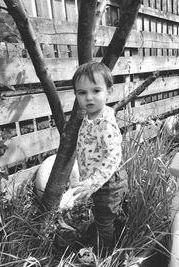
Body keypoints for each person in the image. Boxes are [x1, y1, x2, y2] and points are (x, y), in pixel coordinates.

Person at [71, 61, 128, 248]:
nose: (89, 98)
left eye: (96, 91)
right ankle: (120, 227)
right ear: (76, 94)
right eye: (82, 92)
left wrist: (92, 181)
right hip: (99, 182)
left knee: (104, 220)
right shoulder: (89, 117)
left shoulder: (105, 122)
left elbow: (113, 156)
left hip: (108, 182)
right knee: (105, 213)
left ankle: (106, 254)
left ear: (108, 91)